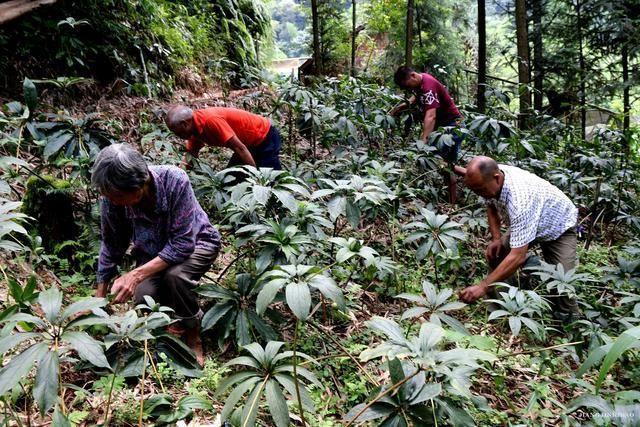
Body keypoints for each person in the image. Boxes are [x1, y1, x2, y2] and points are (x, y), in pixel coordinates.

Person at [92, 143, 221, 365]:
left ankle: (193, 334)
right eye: (108, 196)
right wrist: (99, 297)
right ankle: (168, 331)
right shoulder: (112, 199)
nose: (112, 202)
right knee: (144, 299)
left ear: (140, 185)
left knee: (176, 277)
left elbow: (182, 244)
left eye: (117, 196)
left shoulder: (174, 180)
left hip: (197, 243)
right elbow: (112, 243)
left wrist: (134, 275)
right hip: (153, 253)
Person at [458, 156, 580, 323]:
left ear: (497, 178)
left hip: (559, 226)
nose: (480, 194)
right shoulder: (489, 177)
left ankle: (570, 327)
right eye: (476, 191)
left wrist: (482, 286)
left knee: (562, 283)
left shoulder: (520, 199)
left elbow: (517, 256)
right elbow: (490, 204)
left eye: (481, 190)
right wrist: (496, 238)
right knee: (498, 253)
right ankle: (502, 311)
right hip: (528, 221)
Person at [390, 66, 465, 203]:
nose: (409, 90)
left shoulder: (428, 87)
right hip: (446, 127)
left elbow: (431, 116)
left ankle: (470, 176)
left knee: (441, 162)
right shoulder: (421, 80)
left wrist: (423, 141)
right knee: (444, 164)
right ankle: (452, 200)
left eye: (408, 86)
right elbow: (416, 96)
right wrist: (400, 108)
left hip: (453, 127)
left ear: (413, 76)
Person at [165, 105, 282, 170]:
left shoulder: (210, 121)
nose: (177, 136)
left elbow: (239, 148)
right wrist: (178, 176)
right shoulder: (194, 130)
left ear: (185, 124)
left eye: (176, 131)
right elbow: (190, 156)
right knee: (230, 178)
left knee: (270, 179)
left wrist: (254, 177)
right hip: (247, 144)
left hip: (265, 137)